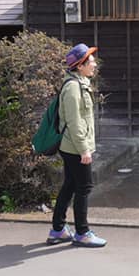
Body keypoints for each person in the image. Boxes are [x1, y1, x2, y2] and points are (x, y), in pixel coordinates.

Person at [47, 43, 107, 248]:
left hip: (72, 146)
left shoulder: (79, 82)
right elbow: (74, 122)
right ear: (80, 66)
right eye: (90, 61)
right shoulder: (73, 87)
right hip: (75, 148)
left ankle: (58, 229)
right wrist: (84, 149)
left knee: (70, 185)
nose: (94, 64)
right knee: (84, 187)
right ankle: (82, 232)